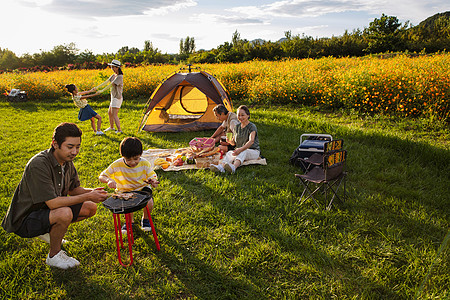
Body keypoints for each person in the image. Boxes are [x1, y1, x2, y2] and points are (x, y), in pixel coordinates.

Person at [1, 123, 108, 269]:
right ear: (55, 144)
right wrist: (88, 196)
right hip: (25, 219)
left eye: (78, 147)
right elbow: (53, 203)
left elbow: (74, 190)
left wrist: (99, 193)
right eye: (70, 147)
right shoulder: (39, 164)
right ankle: (54, 256)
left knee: (90, 207)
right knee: (64, 213)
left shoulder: (67, 161)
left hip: (46, 211)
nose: (75, 152)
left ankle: (49, 232)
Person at [99, 137, 159, 233]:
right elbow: (102, 176)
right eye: (128, 159)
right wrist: (109, 180)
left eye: (136, 159)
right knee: (127, 206)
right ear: (122, 156)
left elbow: (152, 175)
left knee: (149, 203)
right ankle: (129, 222)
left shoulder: (144, 163)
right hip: (124, 190)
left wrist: (153, 181)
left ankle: (146, 219)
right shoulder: (117, 164)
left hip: (141, 188)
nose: (132, 162)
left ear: (141, 154)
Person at [210, 105, 260, 174]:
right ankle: (221, 166)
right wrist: (230, 141)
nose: (240, 117)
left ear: (248, 115)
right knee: (230, 153)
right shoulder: (237, 127)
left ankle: (233, 167)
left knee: (243, 151)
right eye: (239, 115)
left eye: (243, 115)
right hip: (240, 150)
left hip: (253, 151)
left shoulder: (251, 126)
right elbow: (234, 143)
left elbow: (251, 141)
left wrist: (240, 149)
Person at [95, 59, 124, 134]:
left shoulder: (120, 77)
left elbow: (111, 85)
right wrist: (97, 87)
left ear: (117, 67)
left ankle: (119, 130)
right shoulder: (114, 75)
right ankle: (111, 127)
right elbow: (106, 82)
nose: (112, 69)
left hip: (117, 97)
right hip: (113, 96)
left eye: (113, 67)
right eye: (111, 67)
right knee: (109, 113)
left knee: (114, 114)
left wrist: (101, 91)